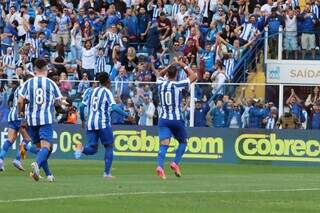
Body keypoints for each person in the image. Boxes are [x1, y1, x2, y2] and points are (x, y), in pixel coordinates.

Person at [75, 72, 131, 178]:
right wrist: (126, 115)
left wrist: (82, 120)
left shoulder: (90, 91)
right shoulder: (107, 92)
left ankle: (81, 148)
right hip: (103, 122)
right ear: (107, 81)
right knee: (109, 146)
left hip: (90, 123)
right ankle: (106, 173)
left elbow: (82, 106)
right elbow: (114, 107)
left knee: (92, 149)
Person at [17, 59, 65, 182]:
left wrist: (20, 113)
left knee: (40, 149)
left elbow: (19, 101)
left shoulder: (28, 83)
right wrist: (62, 109)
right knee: (46, 148)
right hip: (46, 119)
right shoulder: (51, 83)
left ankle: (49, 175)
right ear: (46, 68)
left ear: (34, 69)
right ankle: (36, 164)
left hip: (32, 120)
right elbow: (58, 103)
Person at [155, 58, 197, 179]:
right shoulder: (178, 84)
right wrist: (181, 64)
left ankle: (160, 166)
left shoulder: (161, 83)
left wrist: (170, 65)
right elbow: (194, 76)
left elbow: (159, 74)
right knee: (183, 142)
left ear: (167, 73)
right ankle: (175, 163)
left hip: (163, 119)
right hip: (176, 119)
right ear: (177, 74)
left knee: (164, 145)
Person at [0, 75, 37, 172]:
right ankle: (17, 159)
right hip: (21, 116)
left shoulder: (18, 88)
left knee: (10, 139)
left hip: (11, 115)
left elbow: (11, 100)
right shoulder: (28, 89)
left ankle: (1, 158)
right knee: (27, 139)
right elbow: (23, 103)